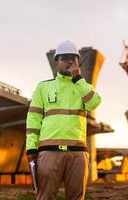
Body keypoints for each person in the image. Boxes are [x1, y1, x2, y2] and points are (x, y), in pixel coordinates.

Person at [25, 41, 101, 200]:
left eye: (73, 58)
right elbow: (33, 118)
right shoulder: (43, 87)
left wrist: (78, 79)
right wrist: (31, 148)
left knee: (76, 197)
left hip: (77, 153)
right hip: (48, 151)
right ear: (56, 61)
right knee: (45, 197)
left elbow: (94, 103)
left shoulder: (82, 86)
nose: (69, 61)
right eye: (65, 58)